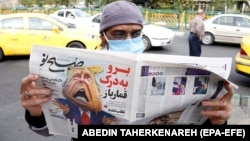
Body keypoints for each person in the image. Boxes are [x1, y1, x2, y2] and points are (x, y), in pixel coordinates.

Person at [19, 1, 234, 140]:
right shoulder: (78, 71)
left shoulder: (162, 69)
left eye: (136, 33)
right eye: (119, 34)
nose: (129, 40)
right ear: (103, 36)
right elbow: (47, 129)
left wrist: (218, 122)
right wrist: (35, 112)